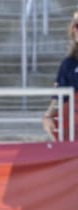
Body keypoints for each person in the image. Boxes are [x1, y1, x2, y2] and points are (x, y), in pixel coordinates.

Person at [42, 11, 78, 140]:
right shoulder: (68, 64)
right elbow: (58, 98)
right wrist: (47, 117)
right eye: (76, 26)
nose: (76, 29)